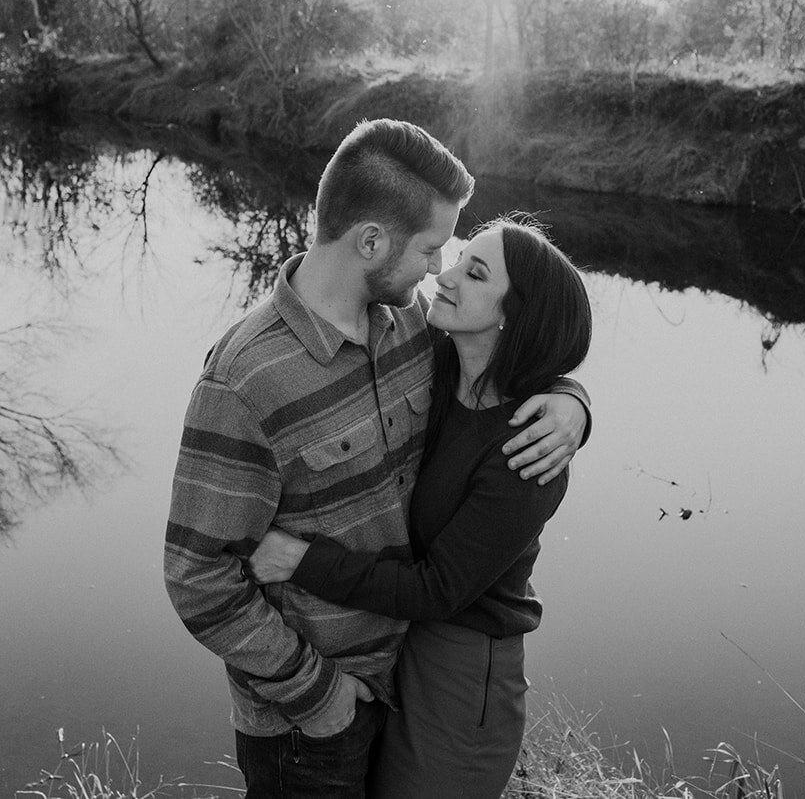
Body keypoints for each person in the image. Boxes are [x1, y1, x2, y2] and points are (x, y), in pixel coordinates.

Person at [163, 119, 590, 799]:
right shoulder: (247, 379)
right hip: (311, 722)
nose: (437, 271)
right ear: (371, 241)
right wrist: (319, 694)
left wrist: (572, 398)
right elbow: (197, 578)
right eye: (430, 249)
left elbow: (516, 359)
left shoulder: (413, 327)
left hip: (407, 683)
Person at [245, 216, 593, 799]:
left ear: (514, 314)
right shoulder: (434, 358)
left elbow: (437, 589)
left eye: (474, 273)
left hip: (462, 673)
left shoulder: (525, 453)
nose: (444, 275)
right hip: (399, 644)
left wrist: (298, 561)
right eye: (456, 259)